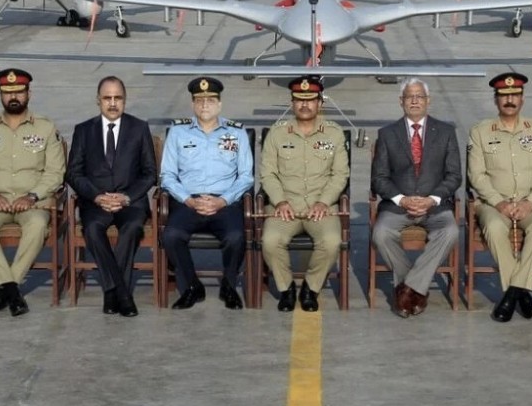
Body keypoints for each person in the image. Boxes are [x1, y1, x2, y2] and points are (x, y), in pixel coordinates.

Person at [0, 68, 65, 318]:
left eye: (19, 92)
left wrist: (32, 195)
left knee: (37, 225)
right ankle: (11, 289)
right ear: (0, 95)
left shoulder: (45, 127)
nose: (13, 97)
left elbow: (55, 172)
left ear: (29, 94)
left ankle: (5, 288)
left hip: (33, 203)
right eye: (7, 92)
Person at [67, 75, 157, 318]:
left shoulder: (139, 128)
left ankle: (112, 291)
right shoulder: (83, 130)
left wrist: (126, 197)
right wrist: (97, 197)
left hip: (131, 202)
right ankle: (121, 293)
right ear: (98, 100)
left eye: (118, 98)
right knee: (92, 229)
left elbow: (150, 174)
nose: (113, 103)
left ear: (125, 100)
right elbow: (73, 173)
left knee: (131, 229)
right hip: (96, 203)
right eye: (107, 98)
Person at [371, 77, 462, 318]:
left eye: (419, 96)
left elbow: (454, 176)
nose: (414, 101)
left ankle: (407, 290)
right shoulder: (387, 134)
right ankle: (415, 289)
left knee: (450, 231)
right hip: (398, 207)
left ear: (428, 101)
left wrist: (432, 199)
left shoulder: (446, 132)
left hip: (435, 206)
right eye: (409, 97)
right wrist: (402, 199)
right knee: (380, 234)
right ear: (400, 101)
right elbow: (379, 178)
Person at [466, 71, 532, 324]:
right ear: (495, 100)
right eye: (504, 96)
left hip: (531, 202)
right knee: (493, 228)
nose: (510, 100)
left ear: (522, 99)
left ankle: (512, 293)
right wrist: (500, 203)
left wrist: (529, 202)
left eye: (515, 95)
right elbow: (476, 175)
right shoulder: (480, 132)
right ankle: (522, 293)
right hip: (494, 203)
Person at [160, 77, 253, 310]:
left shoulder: (237, 133)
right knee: (171, 236)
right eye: (199, 100)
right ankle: (192, 286)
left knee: (236, 237)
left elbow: (246, 176)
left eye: (210, 100)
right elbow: (167, 175)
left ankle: (229, 286)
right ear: (192, 104)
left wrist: (222, 200)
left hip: (224, 202)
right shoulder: (178, 132)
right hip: (189, 201)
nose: (204, 105)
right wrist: (188, 200)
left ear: (219, 104)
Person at [259, 76, 349, 313]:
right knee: (270, 241)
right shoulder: (277, 133)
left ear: (320, 103)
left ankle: (310, 288)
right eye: (299, 100)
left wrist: (323, 202)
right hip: (285, 207)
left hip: (321, 208)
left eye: (310, 100)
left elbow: (340, 175)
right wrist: (280, 201)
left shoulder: (334, 134)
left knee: (331, 242)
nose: (304, 105)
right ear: (292, 103)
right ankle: (286, 288)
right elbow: (268, 174)